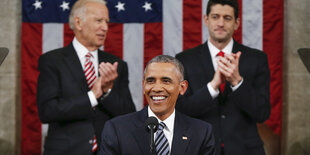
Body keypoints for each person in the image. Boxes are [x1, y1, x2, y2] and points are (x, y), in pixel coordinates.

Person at [36, 0, 136, 154]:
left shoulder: (116, 65)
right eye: (98, 21)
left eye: (107, 22)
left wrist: (108, 90)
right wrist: (93, 96)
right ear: (78, 23)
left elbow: (128, 114)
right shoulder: (52, 61)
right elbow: (47, 111)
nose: (105, 27)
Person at [175, 0, 271, 154]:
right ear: (206, 20)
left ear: (237, 23)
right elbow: (181, 111)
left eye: (227, 18)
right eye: (215, 17)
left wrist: (237, 82)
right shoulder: (184, 60)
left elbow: (262, 113)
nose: (221, 23)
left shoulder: (257, 58)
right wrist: (212, 87)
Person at [99, 55, 215, 155]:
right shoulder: (117, 130)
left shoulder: (201, 132)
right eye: (150, 81)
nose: (157, 88)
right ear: (144, 86)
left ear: (182, 87)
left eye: (166, 81)